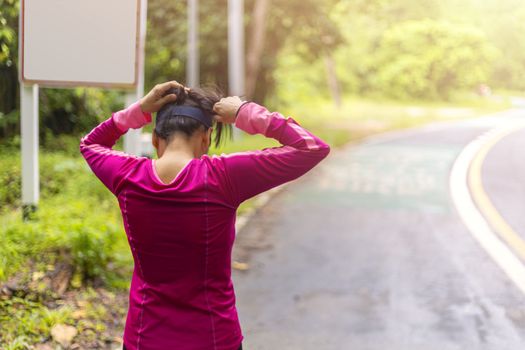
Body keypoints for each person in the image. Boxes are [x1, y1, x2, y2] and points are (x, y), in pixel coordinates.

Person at [79, 80, 331, 350]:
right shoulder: (223, 177)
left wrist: (139, 110)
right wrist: (245, 112)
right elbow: (312, 147)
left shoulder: (127, 175)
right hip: (214, 339)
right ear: (206, 137)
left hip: (144, 338)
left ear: (155, 139)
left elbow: (90, 143)